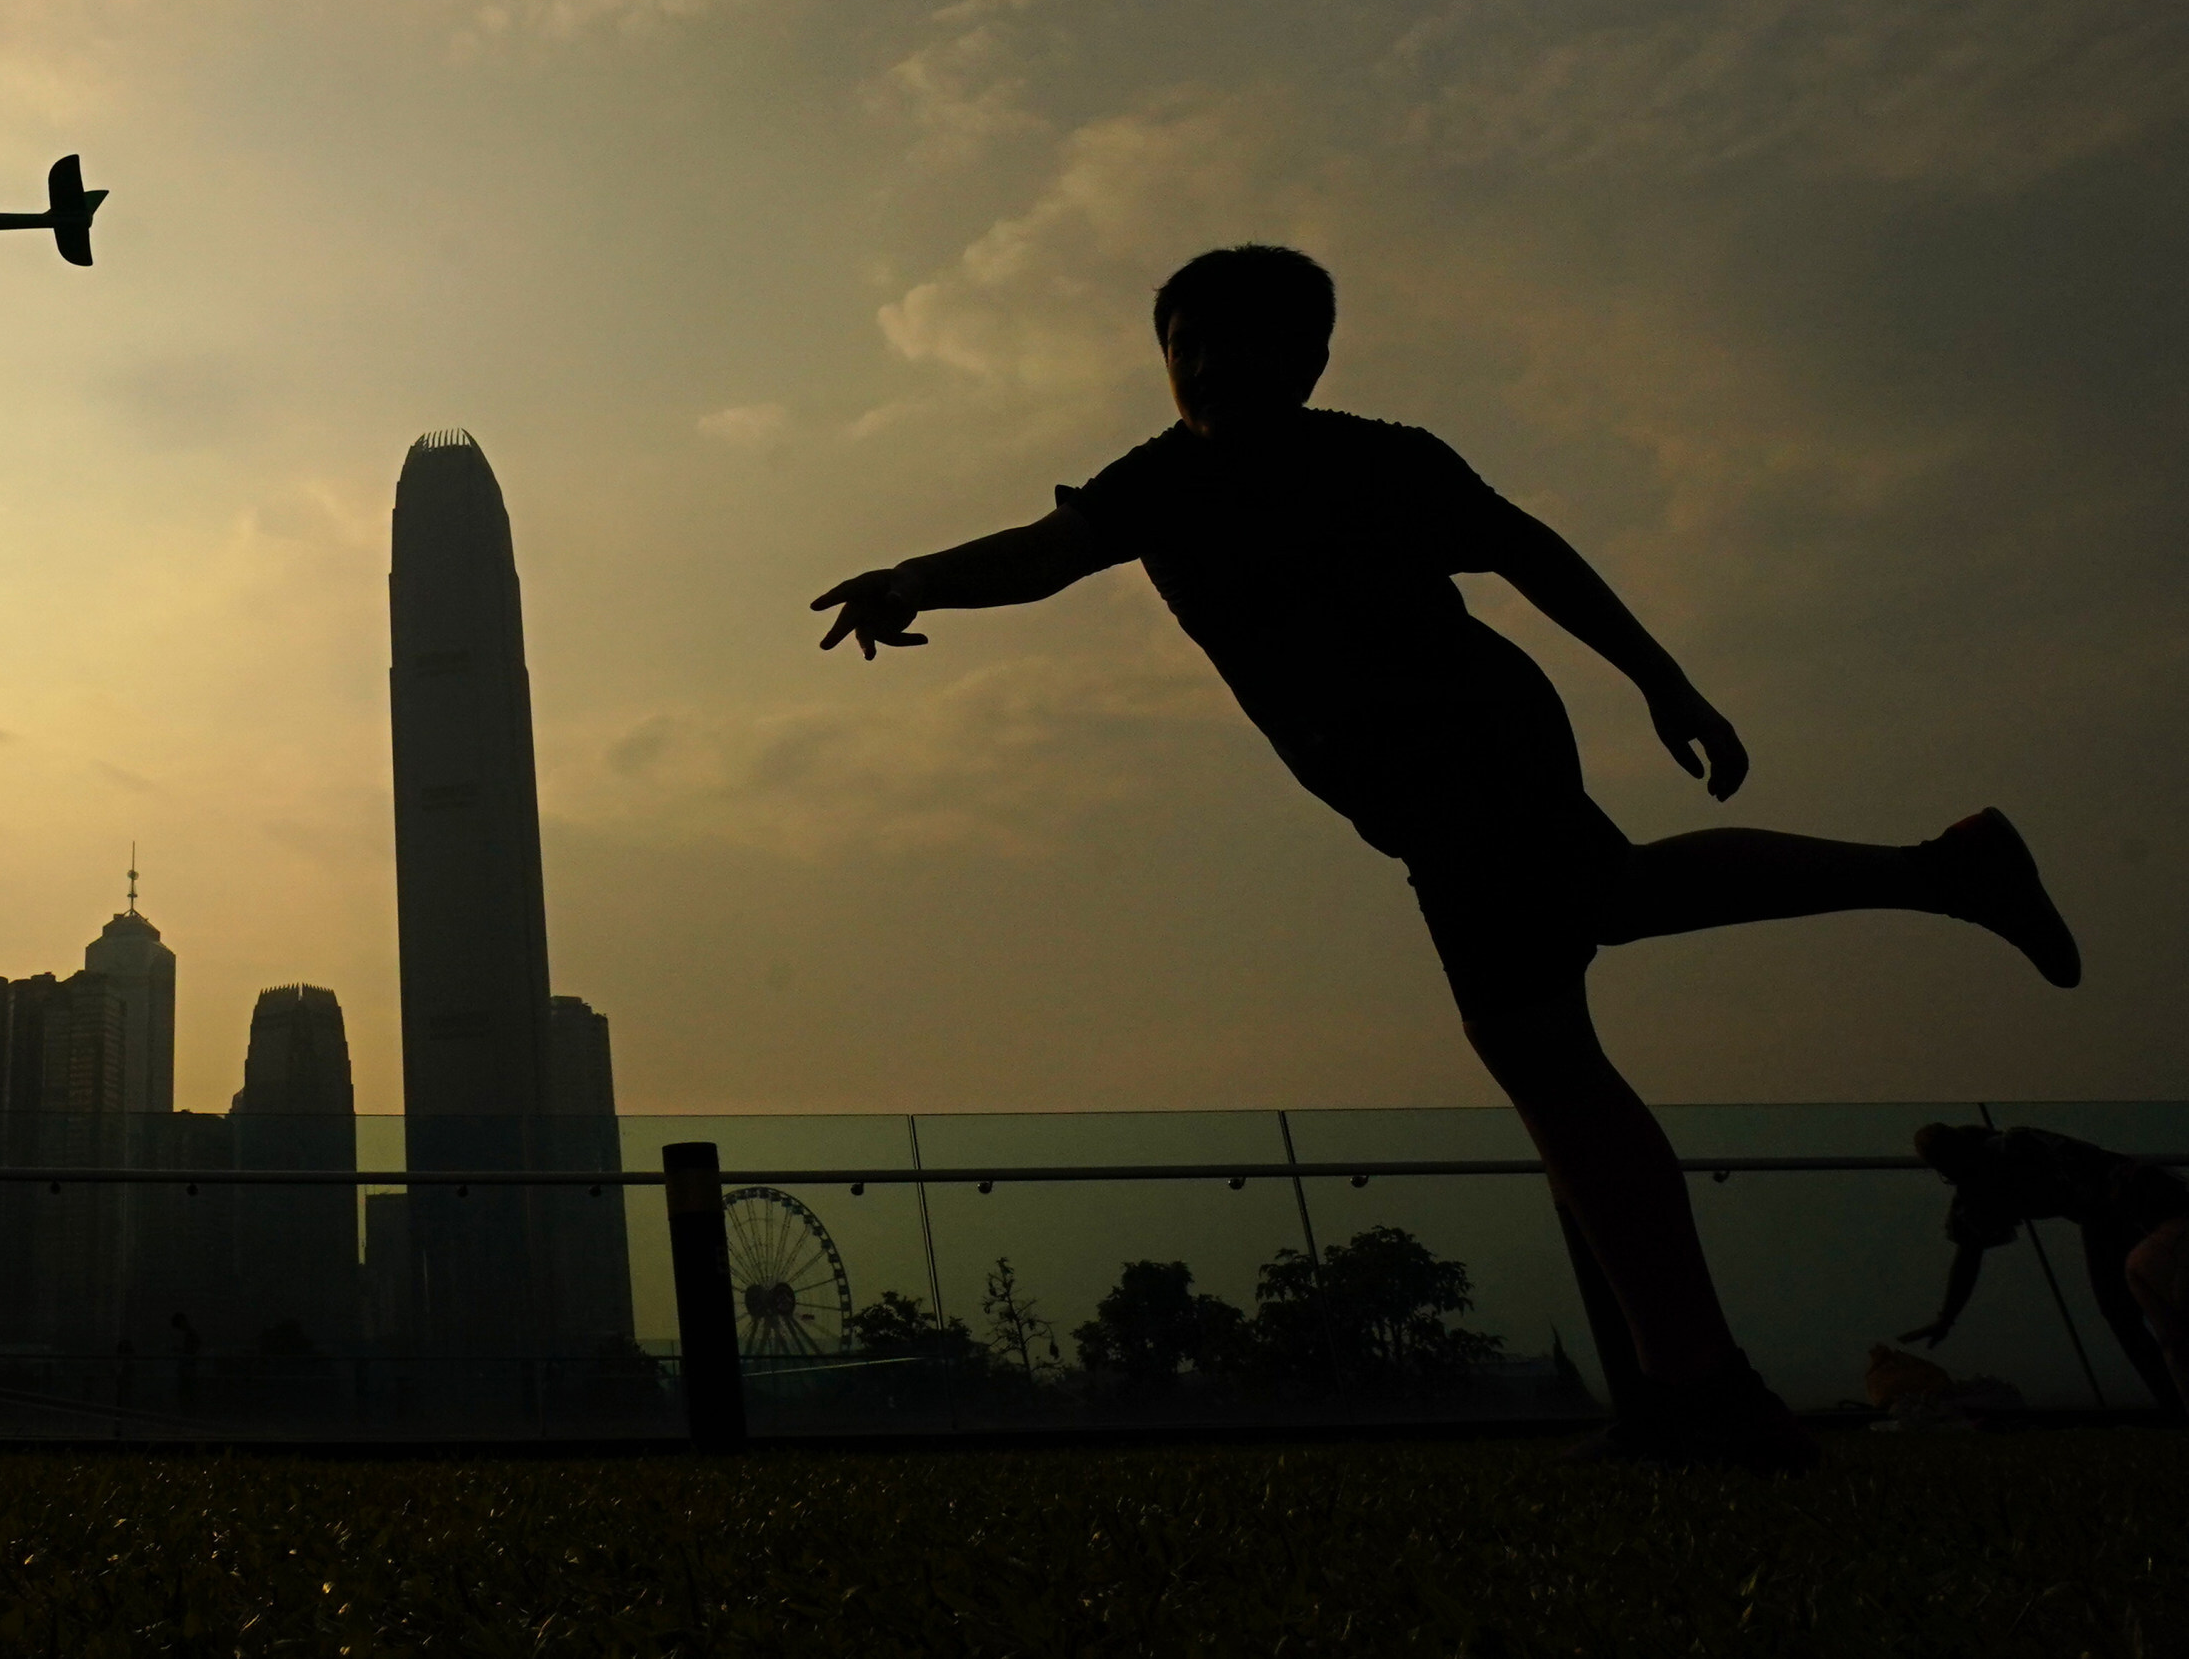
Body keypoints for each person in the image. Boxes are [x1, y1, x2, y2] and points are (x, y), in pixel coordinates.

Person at [809, 244, 2082, 1471]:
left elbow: (1534, 553)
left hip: (1467, 743)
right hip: (1426, 780)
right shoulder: (1160, 480)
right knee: (1613, 908)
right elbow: (1045, 555)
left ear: (1307, 356)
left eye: (1233, 345)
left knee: (1546, 1051)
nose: (1202, 369)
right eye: (1182, 347)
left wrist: (1665, 679)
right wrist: (915, 575)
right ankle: (1941, 878)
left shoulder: (1379, 459)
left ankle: (1703, 1388)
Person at [1900, 1122, 2186, 1416]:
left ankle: (2175, 1404)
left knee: (2125, 1311)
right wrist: (1946, 1317)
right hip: (2119, 1209)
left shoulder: (2007, 1157)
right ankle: (2175, 1403)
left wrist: (1946, 1318)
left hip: (2129, 1205)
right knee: (2128, 1310)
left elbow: (1969, 1253)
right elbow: (1969, 1254)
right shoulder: (1992, 1172)